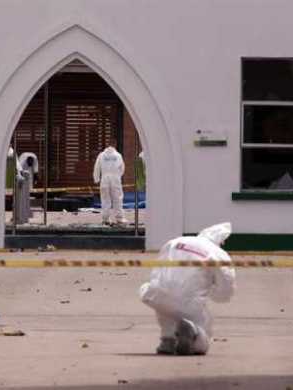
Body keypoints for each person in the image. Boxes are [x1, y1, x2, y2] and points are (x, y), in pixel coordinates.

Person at [139, 222, 236, 355]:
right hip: (188, 302)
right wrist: (211, 291)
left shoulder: (176, 242)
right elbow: (225, 290)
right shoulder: (219, 254)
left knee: (166, 307)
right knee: (203, 332)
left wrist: (156, 286)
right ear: (220, 241)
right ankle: (193, 330)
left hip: (157, 293)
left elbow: (158, 269)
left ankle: (167, 339)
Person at [93, 139, 127, 225]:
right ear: (115, 145)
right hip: (115, 178)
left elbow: (97, 168)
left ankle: (105, 219)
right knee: (117, 199)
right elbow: (122, 168)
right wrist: (118, 176)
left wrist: (96, 178)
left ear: (107, 145)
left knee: (105, 199)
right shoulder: (118, 155)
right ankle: (119, 218)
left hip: (104, 178)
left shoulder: (101, 155)